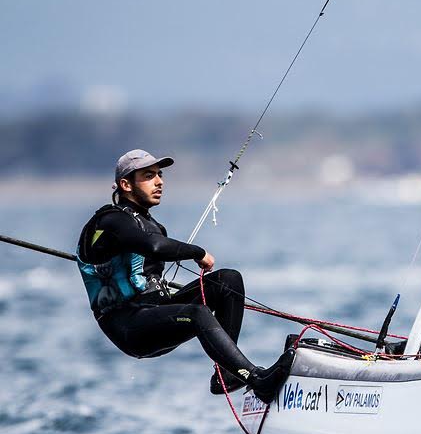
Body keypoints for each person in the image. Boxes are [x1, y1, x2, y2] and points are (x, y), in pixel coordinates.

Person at [76, 149, 293, 403]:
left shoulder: (153, 225)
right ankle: (257, 381)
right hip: (128, 325)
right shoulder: (109, 222)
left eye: (159, 175)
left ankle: (228, 374)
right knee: (197, 313)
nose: (159, 182)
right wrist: (197, 252)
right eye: (148, 176)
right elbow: (154, 247)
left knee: (228, 281)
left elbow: (153, 243)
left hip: (156, 311)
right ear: (125, 185)